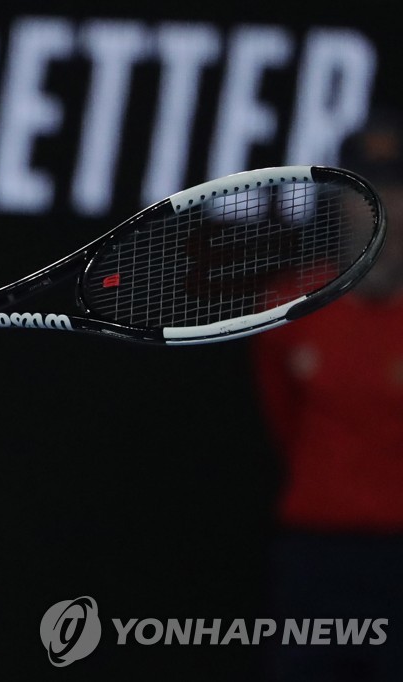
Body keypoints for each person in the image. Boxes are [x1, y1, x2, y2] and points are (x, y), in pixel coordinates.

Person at [251, 108, 403, 681]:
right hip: (313, 553)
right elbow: (282, 418)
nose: (384, 207)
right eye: (366, 191)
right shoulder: (290, 305)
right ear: (339, 203)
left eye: (396, 189)